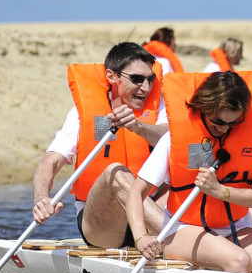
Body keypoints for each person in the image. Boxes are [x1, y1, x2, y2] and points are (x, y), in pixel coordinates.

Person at [127, 70, 252, 273]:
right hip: (182, 230)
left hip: (236, 227)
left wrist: (220, 191)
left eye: (233, 123)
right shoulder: (175, 138)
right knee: (239, 261)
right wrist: (141, 237)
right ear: (203, 108)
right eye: (218, 122)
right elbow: (135, 193)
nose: (225, 129)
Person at [32, 42, 169, 248]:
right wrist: (42, 198)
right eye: (137, 79)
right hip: (104, 226)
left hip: (151, 216)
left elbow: (171, 139)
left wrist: (138, 127)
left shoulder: (158, 109)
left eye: (150, 79)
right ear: (112, 76)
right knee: (116, 172)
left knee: (195, 174)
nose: (146, 88)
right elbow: (50, 161)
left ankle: (203, 242)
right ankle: (179, 238)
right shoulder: (82, 113)